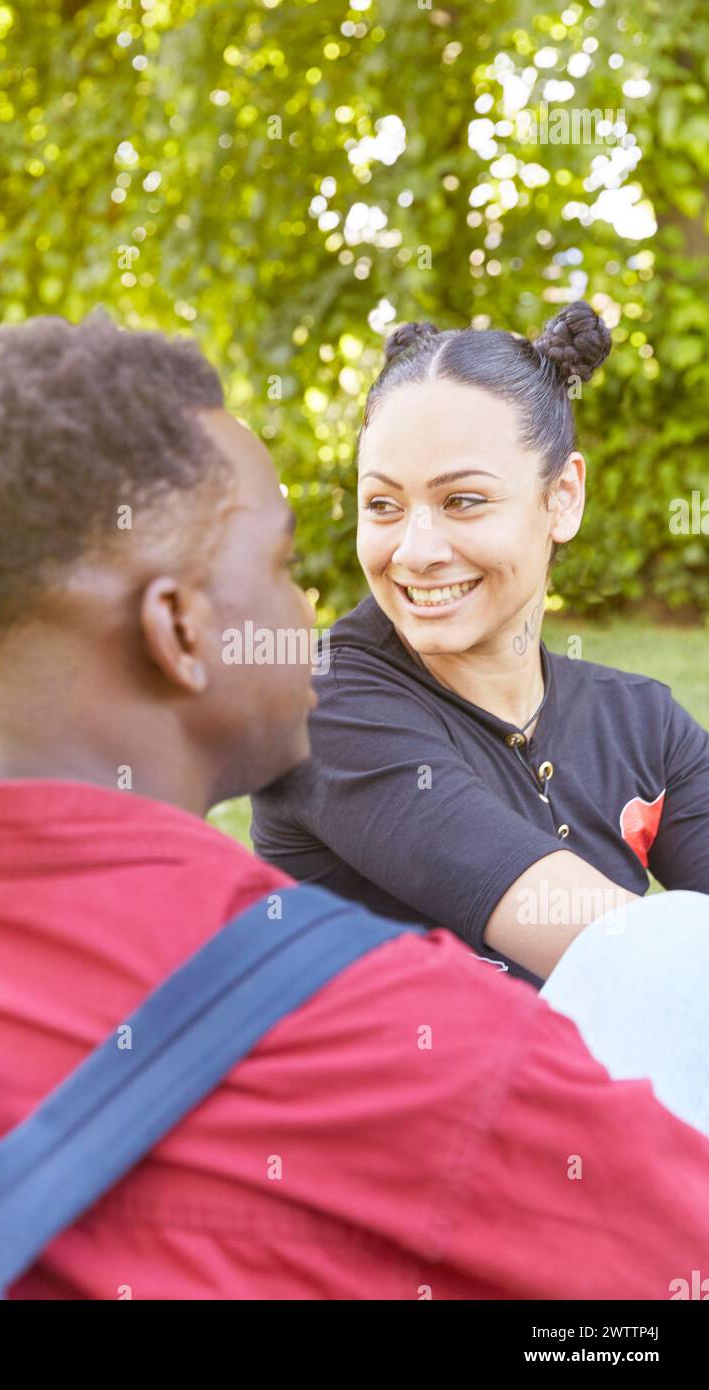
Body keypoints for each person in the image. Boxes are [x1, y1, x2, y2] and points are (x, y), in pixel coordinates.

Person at [0, 311, 709, 1300]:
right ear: (178, 627)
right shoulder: (422, 1045)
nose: (318, 614)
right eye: (283, 564)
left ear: (561, 498)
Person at [252, 301, 709, 988]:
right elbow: (625, 960)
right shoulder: (320, 711)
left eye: (463, 500)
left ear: (563, 498)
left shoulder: (643, 726)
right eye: (383, 505)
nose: (416, 550)